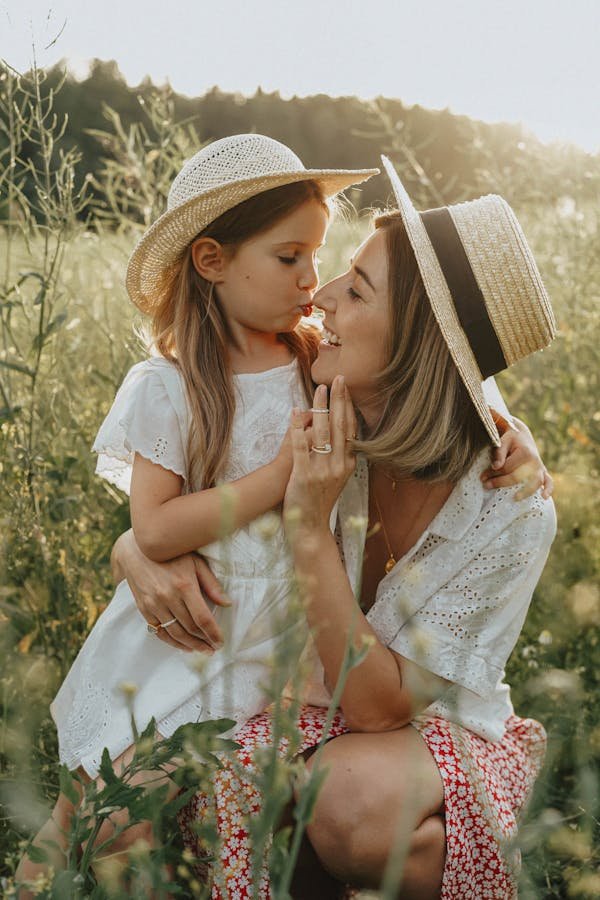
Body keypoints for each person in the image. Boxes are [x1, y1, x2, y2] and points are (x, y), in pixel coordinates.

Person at [118, 162, 556, 898]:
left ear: (420, 345)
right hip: (307, 705)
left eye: (355, 290)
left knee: (350, 801)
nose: (318, 297)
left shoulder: (509, 508)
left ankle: (446, 856)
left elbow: (381, 707)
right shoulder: (315, 393)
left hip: (430, 729)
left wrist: (309, 526)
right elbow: (172, 497)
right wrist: (132, 548)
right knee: (213, 785)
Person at [15, 134, 379, 893]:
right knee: (104, 819)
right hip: (188, 643)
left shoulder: (317, 357)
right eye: (289, 258)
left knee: (228, 826)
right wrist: (278, 477)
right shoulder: (170, 385)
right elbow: (153, 529)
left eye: (319, 254)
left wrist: (510, 440)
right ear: (211, 261)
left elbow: (419, 392)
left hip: (281, 645)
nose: (314, 277)